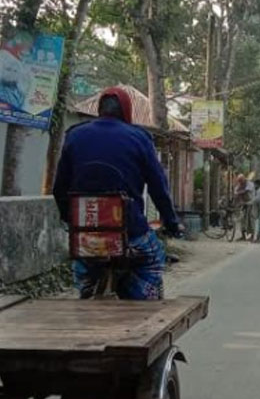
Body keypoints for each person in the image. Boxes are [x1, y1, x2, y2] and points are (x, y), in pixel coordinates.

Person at [52, 86, 181, 299]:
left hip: (86, 238)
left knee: (84, 270)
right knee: (152, 263)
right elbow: (159, 187)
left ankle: (85, 292)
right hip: (132, 233)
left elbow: (59, 188)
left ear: (99, 110)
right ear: (127, 112)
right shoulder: (140, 138)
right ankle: (147, 313)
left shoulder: (74, 135)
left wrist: (72, 220)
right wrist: (172, 222)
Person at [233, 174, 255, 239]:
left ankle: (252, 236)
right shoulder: (240, 185)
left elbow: (246, 191)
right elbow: (236, 191)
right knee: (242, 220)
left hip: (250, 204)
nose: (240, 182)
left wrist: (238, 192)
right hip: (243, 205)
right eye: (239, 181)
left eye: (241, 181)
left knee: (251, 220)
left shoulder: (249, 184)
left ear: (244, 179)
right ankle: (243, 236)